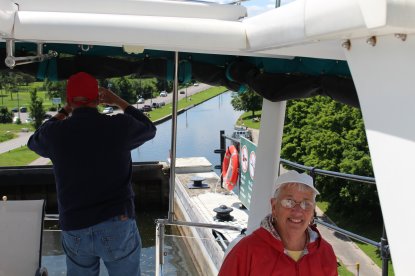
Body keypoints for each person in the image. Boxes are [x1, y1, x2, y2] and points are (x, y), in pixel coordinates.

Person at [28, 72, 156, 276]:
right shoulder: (118, 126)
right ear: (97, 99)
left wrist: (64, 110)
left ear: (69, 100)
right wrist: (118, 101)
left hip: (75, 225)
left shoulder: (56, 133)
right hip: (117, 223)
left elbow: (34, 140)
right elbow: (149, 128)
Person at [218, 170, 338, 276]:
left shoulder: (325, 252)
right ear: (274, 206)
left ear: (312, 212)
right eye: (289, 202)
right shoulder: (245, 252)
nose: (297, 211)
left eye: (306, 204)